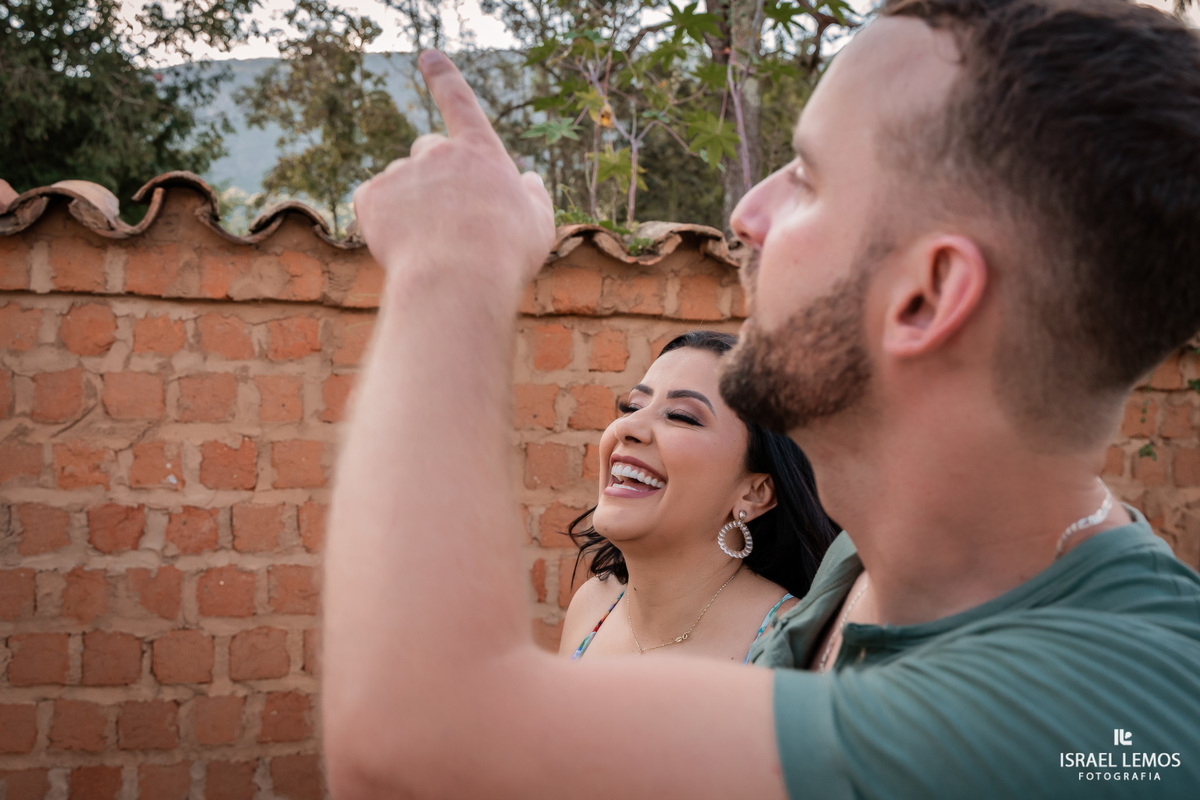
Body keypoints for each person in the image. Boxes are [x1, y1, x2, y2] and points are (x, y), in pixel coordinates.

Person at [324, 0, 1200, 797]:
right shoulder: (865, 562)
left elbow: (417, 743)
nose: (747, 211)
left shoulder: (1081, 715)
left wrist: (453, 262)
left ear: (926, 297)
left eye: (809, 179)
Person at [561, 330, 838, 663]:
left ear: (754, 493)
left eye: (681, 416)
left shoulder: (795, 645)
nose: (626, 427)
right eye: (632, 406)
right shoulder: (592, 605)